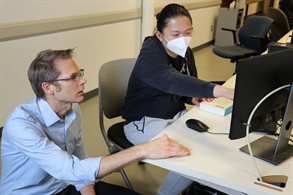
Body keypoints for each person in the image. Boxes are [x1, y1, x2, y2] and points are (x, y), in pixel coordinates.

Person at [0, 49, 191, 195]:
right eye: (73, 77)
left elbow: (79, 158)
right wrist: (144, 149)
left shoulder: (72, 108)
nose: (83, 81)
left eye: (79, 73)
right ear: (48, 87)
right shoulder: (21, 125)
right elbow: (71, 170)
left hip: (66, 185)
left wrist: (88, 191)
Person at [122, 3, 234, 195]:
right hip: (144, 121)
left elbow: (186, 83)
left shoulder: (184, 52)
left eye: (188, 32)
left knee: (210, 141)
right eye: (175, 34)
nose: (183, 39)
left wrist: (193, 98)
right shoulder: (150, 54)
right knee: (188, 154)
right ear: (159, 34)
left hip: (174, 115)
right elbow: (170, 80)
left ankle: (204, 185)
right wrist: (219, 90)